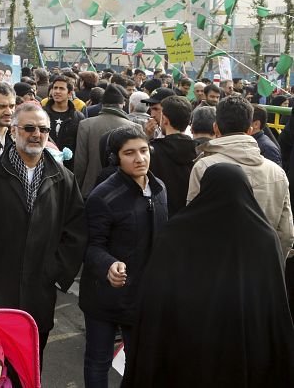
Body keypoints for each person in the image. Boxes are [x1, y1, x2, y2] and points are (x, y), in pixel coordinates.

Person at [121, 164, 294, 387]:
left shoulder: (176, 232)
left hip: (186, 342)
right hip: (243, 344)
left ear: (205, 189)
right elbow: (274, 303)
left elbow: (156, 296)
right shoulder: (265, 238)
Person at [0, 102, 87, 364]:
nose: (37, 134)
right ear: (13, 131)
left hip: (39, 292)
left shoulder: (63, 177)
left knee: (30, 365)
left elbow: (75, 231)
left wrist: (55, 272)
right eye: (29, 128)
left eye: (43, 129)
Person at [80, 125, 168, 388]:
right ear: (115, 158)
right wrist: (109, 265)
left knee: (138, 362)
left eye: (143, 150)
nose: (139, 158)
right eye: (129, 153)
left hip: (143, 296)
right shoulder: (103, 196)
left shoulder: (160, 188)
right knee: (98, 360)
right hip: (104, 296)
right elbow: (91, 246)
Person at [187, 96, 294, 259]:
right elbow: (286, 233)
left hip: (215, 264)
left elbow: (193, 224)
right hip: (262, 263)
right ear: (250, 130)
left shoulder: (204, 167)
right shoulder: (277, 172)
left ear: (215, 128)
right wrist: (274, 263)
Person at [74, 85, 134, 196]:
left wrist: (77, 190)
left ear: (102, 104)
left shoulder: (86, 125)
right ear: (122, 104)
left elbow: (80, 163)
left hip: (91, 189)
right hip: (125, 191)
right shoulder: (133, 127)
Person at [148, 95, 198, 217]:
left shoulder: (152, 151)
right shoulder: (199, 150)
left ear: (165, 119)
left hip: (161, 217)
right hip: (189, 217)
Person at [42, 75, 84, 170]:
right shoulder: (41, 113)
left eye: (61, 88)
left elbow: (80, 146)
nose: (57, 91)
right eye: (55, 88)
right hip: (44, 164)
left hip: (68, 168)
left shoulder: (78, 117)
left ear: (69, 93)